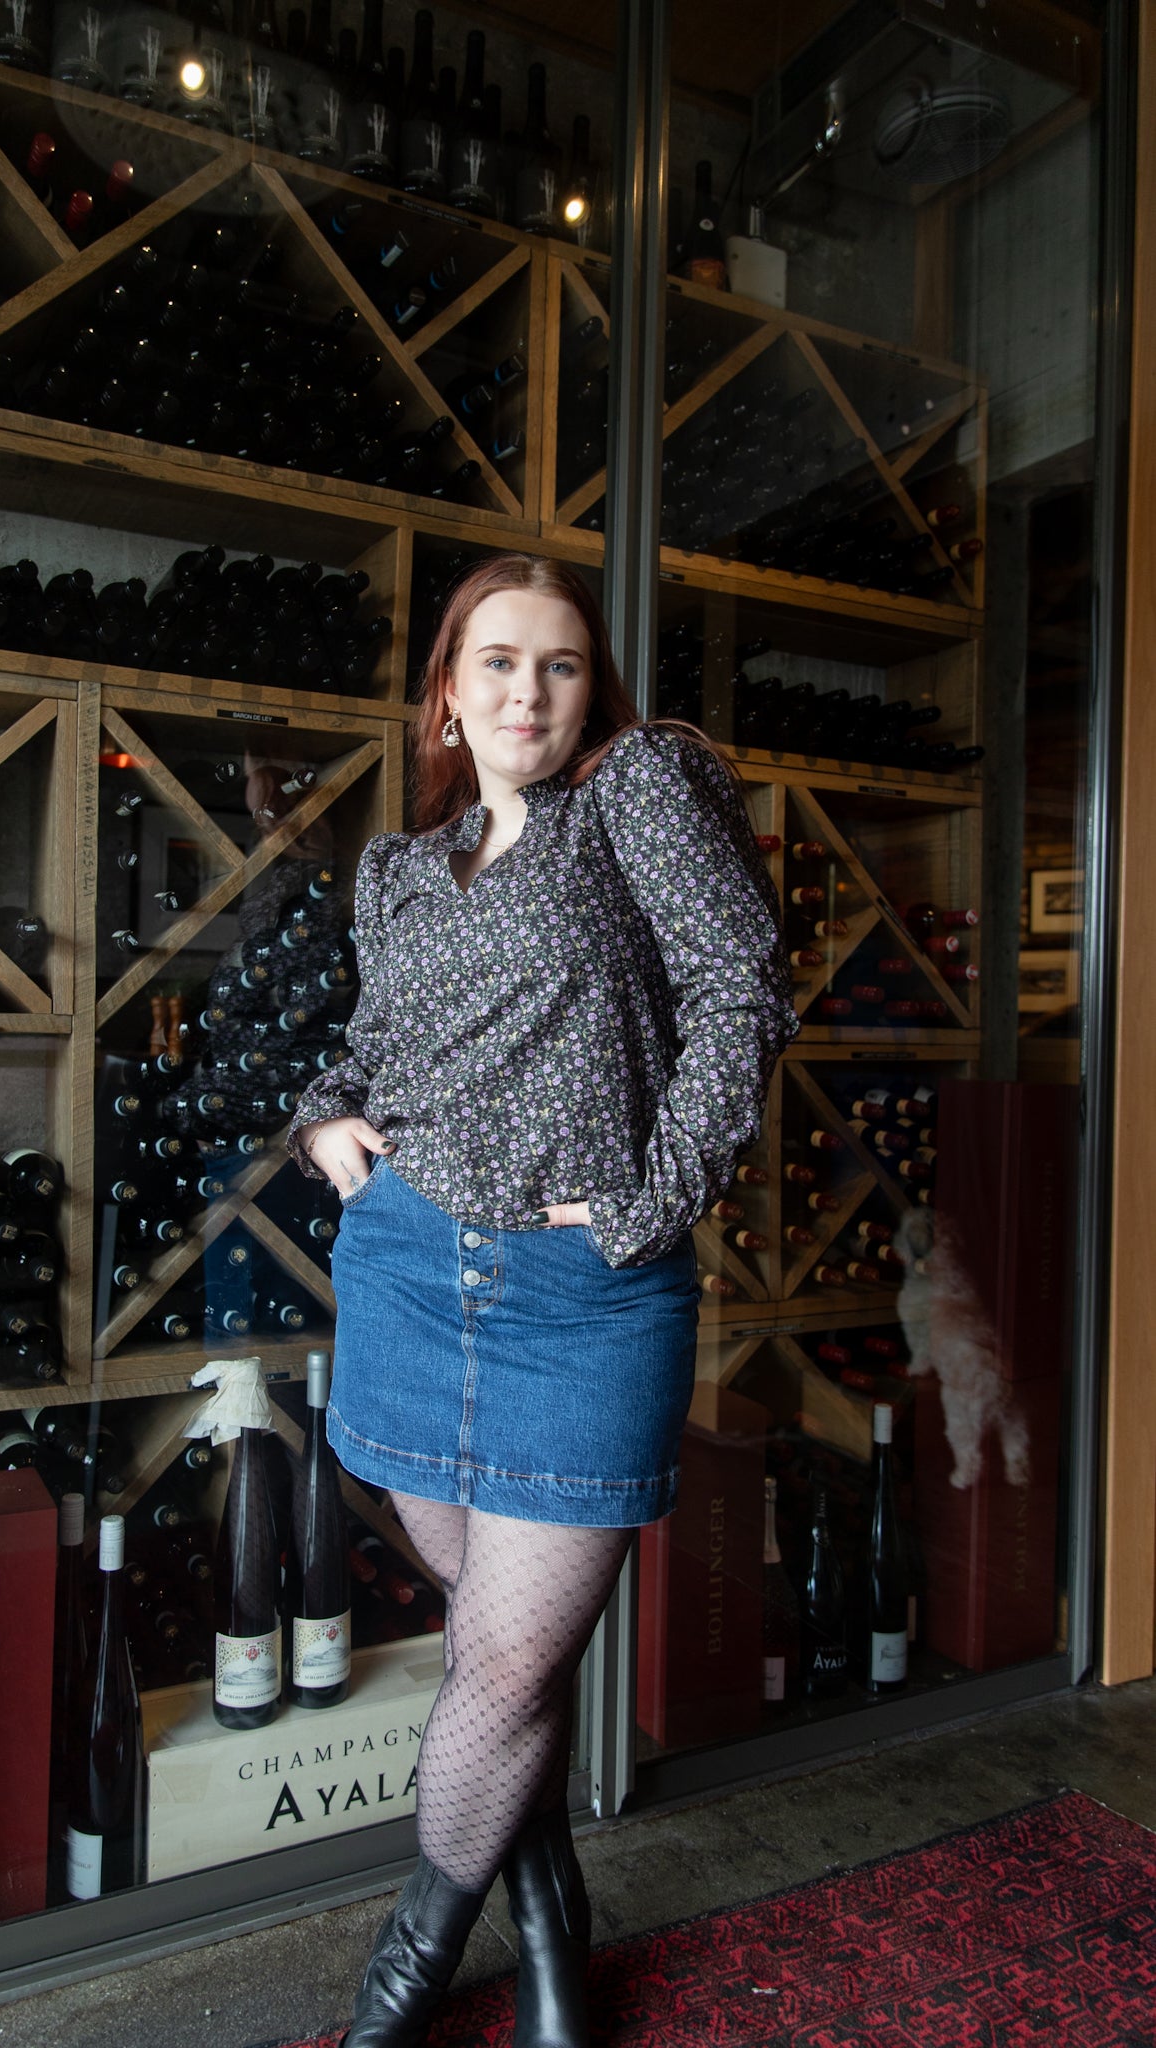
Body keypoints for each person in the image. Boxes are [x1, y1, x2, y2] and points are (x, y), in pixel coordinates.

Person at [286, 553, 799, 2047]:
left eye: (559, 664)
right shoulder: (400, 870)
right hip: (406, 1274)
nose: (528, 691)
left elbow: (742, 987)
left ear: (593, 689)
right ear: (447, 694)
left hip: (584, 1300)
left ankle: (405, 1974)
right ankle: (554, 1926)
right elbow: (373, 1051)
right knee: (501, 1661)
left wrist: (652, 1200)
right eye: (497, 662)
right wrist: (325, 1119)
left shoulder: (634, 792)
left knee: (507, 1658)